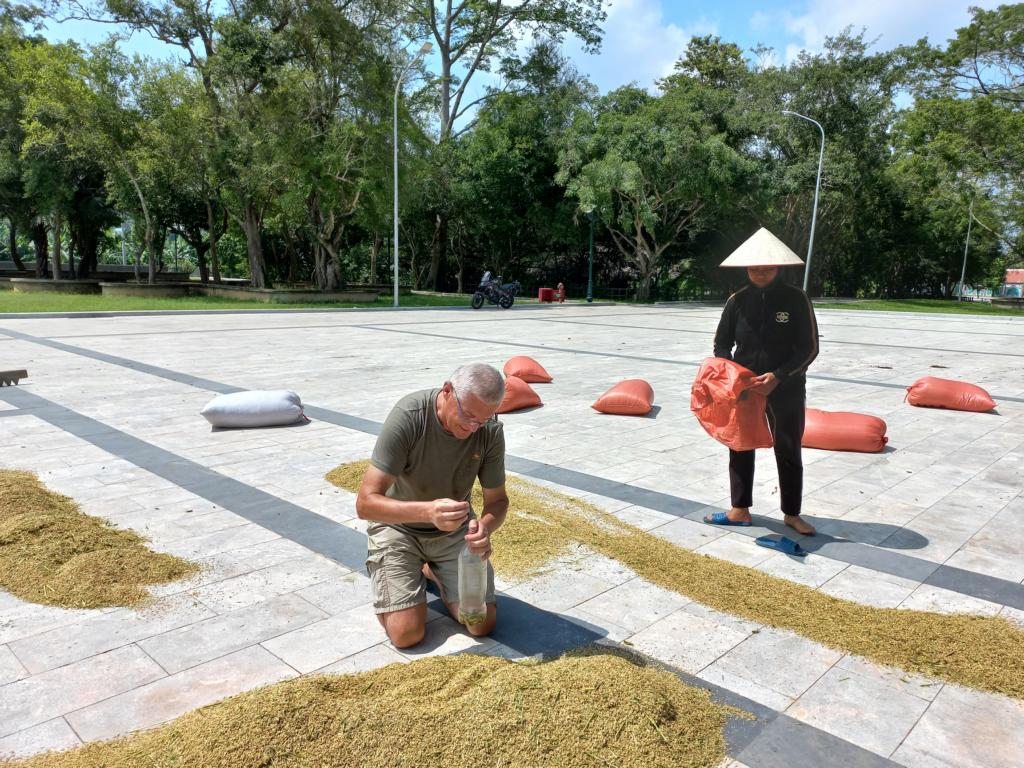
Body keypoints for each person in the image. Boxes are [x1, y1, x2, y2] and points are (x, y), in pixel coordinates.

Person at [355, 363, 509, 648]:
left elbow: (498, 501)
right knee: (406, 634)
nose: (473, 427)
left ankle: (433, 571)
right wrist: (427, 512)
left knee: (480, 624)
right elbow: (366, 503)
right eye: (468, 415)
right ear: (448, 390)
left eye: (483, 420)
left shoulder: (489, 431)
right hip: (398, 527)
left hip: (454, 532)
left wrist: (483, 529)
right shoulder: (410, 416)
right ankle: (402, 570)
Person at [705, 228, 819, 536]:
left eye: (766, 267)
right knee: (739, 446)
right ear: (747, 269)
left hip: (787, 388)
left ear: (777, 267)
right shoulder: (737, 301)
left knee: (788, 447)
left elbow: (809, 348)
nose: (760, 272)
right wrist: (733, 376)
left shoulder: (796, 299)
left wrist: (779, 377)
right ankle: (739, 509)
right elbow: (721, 345)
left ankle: (792, 513)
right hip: (744, 390)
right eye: (754, 268)